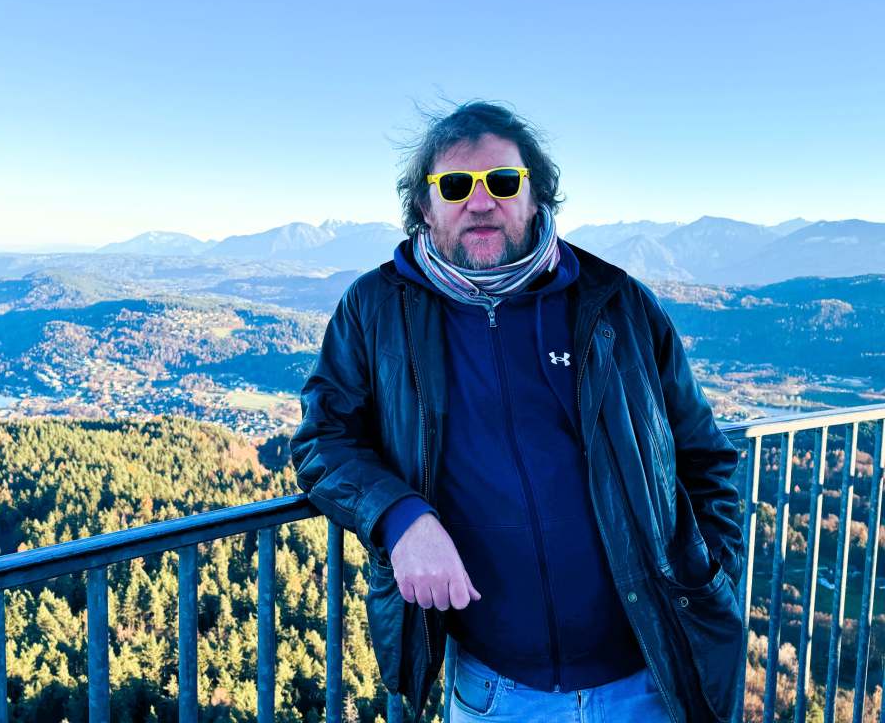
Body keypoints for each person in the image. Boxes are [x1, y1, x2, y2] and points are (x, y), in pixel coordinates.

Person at [289, 101, 744, 723]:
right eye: (456, 185)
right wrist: (398, 517)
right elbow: (322, 441)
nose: (481, 202)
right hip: (494, 692)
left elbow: (703, 456)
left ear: (536, 197)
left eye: (504, 182)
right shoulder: (375, 310)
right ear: (425, 206)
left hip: (651, 680)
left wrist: (711, 577)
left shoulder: (618, 305)